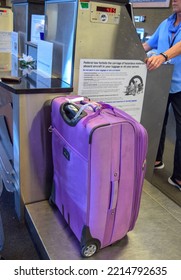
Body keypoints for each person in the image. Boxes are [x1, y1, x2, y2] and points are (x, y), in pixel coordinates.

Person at [143, 0, 181, 191]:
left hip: (180, 85)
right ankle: (156, 159)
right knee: (158, 121)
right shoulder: (166, 23)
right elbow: (148, 45)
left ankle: (179, 177)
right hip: (162, 82)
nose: (174, 0)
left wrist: (164, 56)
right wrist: (130, 51)